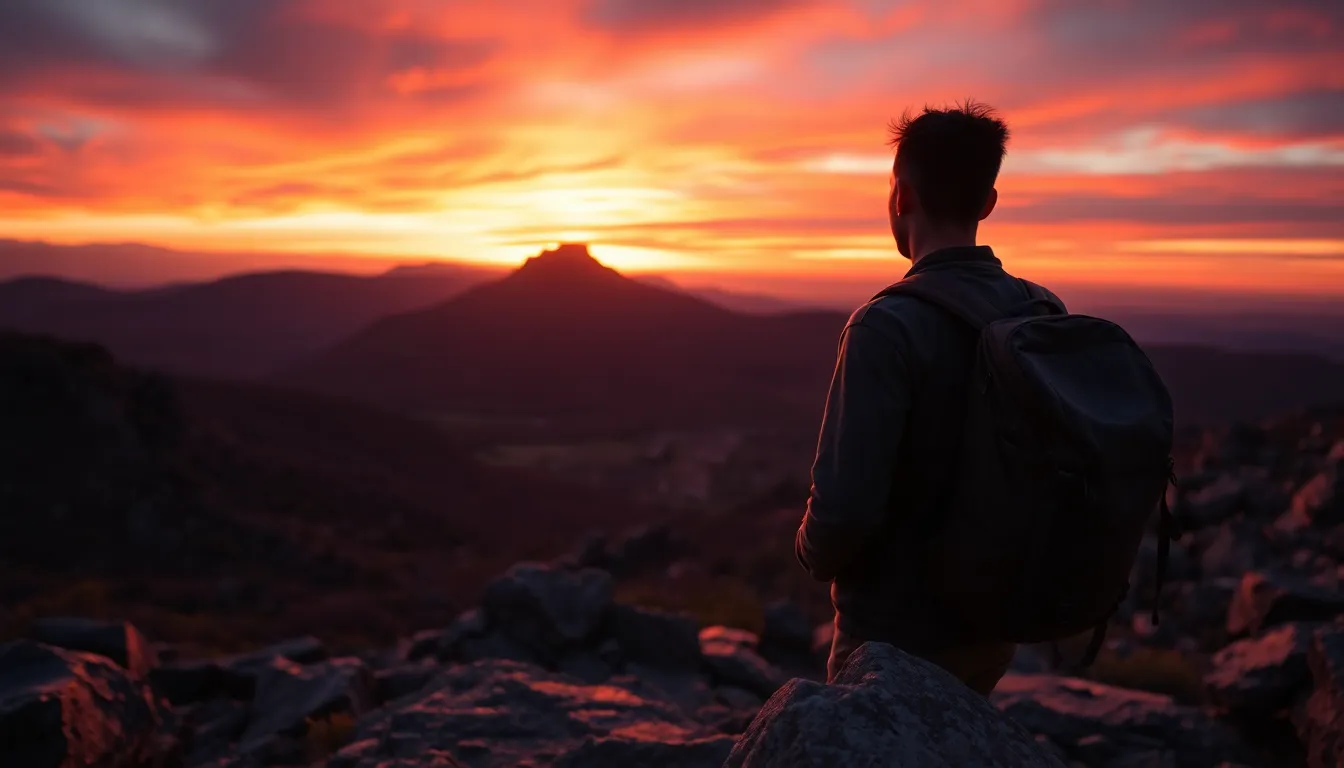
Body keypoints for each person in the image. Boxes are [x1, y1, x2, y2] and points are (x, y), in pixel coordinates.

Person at [794, 101, 1065, 694]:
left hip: (890, 636)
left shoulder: (884, 327)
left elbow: (845, 511)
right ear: (988, 203)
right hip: (994, 623)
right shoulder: (1040, 311)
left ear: (901, 197)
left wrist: (810, 551)